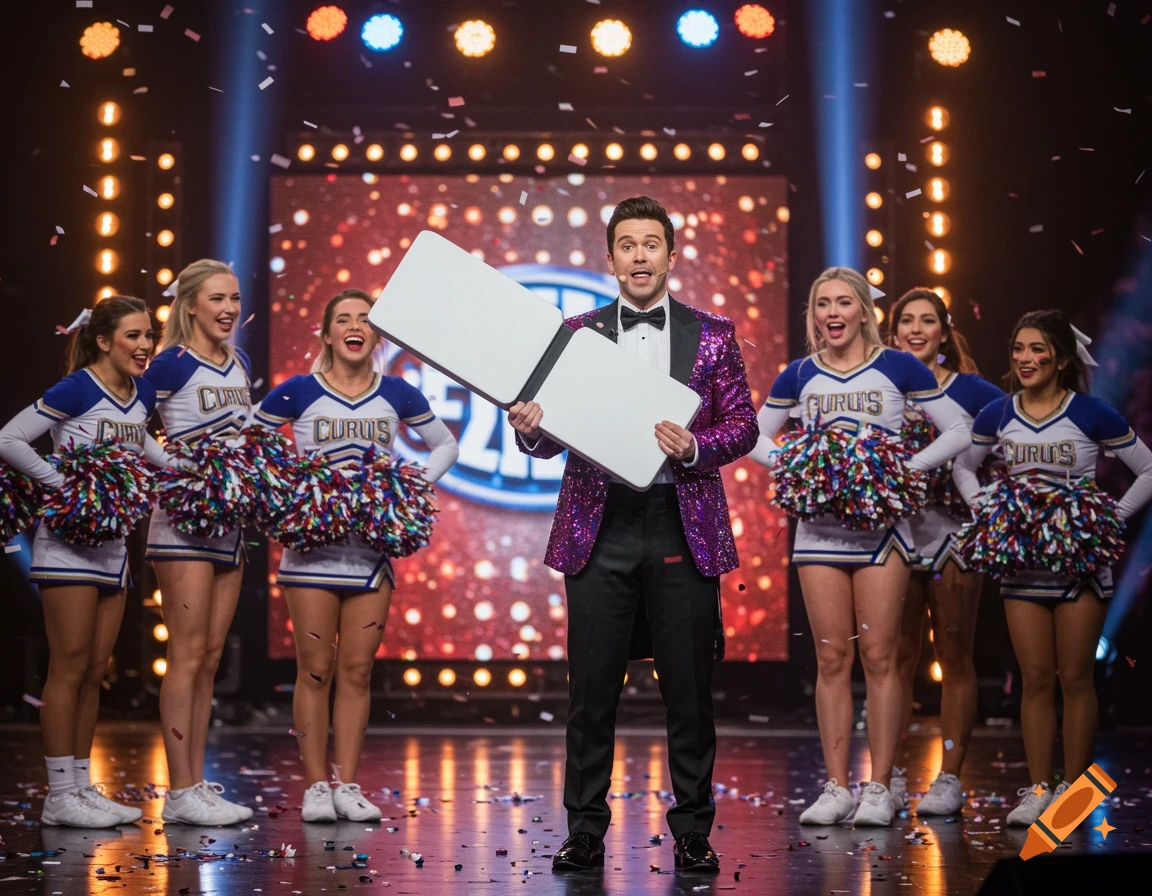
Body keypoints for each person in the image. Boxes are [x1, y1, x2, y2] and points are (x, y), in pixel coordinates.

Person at [508, 196, 759, 874]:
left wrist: (695, 447)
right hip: (602, 523)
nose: (641, 255)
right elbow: (545, 433)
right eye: (628, 244)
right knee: (591, 691)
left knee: (687, 689)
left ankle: (693, 830)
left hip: (681, 519)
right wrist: (529, 429)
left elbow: (744, 426)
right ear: (611, 256)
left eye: (653, 244)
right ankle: (584, 829)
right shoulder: (576, 335)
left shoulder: (712, 333)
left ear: (672, 256)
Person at [748, 268, 972, 827]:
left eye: (843, 301)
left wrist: (903, 468)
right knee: (831, 658)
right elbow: (753, 435)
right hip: (819, 531)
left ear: (863, 312)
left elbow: (960, 429)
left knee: (879, 656)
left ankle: (878, 786)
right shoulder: (799, 374)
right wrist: (799, 465)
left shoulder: (897, 365)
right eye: (822, 303)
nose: (832, 311)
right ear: (813, 314)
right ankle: (835, 787)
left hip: (883, 533)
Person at [254, 288, 458, 824]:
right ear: (326, 335)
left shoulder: (398, 392)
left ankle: (348, 784)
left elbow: (446, 445)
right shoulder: (298, 390)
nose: (354, 326)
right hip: (310, 556)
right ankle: (316, 786)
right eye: (342, 319)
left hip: (369, 556)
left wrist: (407, 487)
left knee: (358, 672)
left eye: (365, 319)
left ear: (377, 335)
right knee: (315, 670)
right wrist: (289, 489)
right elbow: (249, 445)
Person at [950, 310, 1152, 827]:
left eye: (1037, 349)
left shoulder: (1091, 413)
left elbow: (1148, 468)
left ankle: (1074, 795)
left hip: (1079, 567)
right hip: (1023, 569)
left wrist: (1109, 515)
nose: (1025, 358)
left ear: (1061, 359)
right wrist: (987, 508)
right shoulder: (997, 414)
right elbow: (963, 466)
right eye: (1019, 348)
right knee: (1036, 679)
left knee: (1076, 678)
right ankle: (1039, 788)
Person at [0, 296, 171, 828]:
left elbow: (134, 437)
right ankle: (59, 795)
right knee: (69, 666)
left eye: (149, 337)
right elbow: (9, 440)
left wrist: (176, 468)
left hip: (114, 546)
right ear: (102, 340)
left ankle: (81, 786)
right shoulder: (74, 387)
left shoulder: (140, 391)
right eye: (134, 336)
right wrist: (64, 484)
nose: (144, 347)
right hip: (67, 543)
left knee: (96, 670)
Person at [143, 260, 256, 826]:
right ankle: (179, 786)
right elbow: (125, 419)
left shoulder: (239, 362)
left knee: (209, 658)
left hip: (228, 524)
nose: (229, 309)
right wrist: (176, 469)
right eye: (217, 299)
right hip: (181, 524)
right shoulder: (170, 363)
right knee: (185, 655)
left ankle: (194, 783)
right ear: (190, 305)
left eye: (234, 298)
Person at [888, 288, 1004, 816]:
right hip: (893, 535)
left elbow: (1001, 456)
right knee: (893, 657)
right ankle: (885, 775)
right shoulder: (880, 384)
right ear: (892, 333)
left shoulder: (975, 391)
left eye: (926, 320)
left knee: (953, 655)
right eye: (906, 321)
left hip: (954, 534)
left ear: (943, 329)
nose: (916, 329)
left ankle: (949, 780)